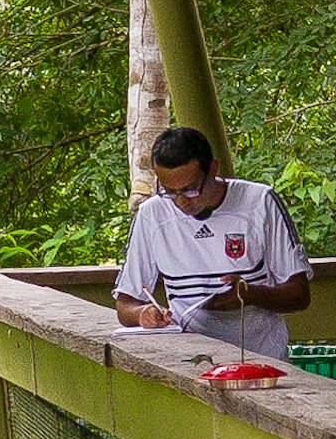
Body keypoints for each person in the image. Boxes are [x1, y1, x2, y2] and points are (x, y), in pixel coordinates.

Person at [113, 126, 313, 360]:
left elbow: (299, 295)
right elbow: (125, 305)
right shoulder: (152, 214)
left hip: (260, 359)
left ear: (213, 169)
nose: (180, 202)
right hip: (190, 362)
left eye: (190, 190)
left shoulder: (259, 202)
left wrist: (250, 295)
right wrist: (142, 314)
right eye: (169, 191)